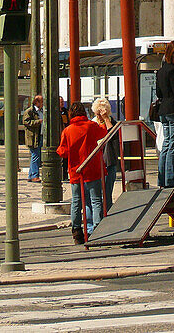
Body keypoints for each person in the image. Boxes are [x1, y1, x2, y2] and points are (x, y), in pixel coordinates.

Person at [57, 101, 104, 245]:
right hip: (92, 168)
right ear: (84, 112)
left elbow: (63, 152)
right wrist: (102, 120)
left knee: (76, 201)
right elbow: (104, 133)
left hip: (76, 170)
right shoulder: (91, 126)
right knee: (96, 200)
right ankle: (96, 229)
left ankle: (77, 231)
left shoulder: (68, 130)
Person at [156, 39, 174, 188]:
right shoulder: (173, 71)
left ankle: (162, 179)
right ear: (173, 54)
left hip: (163, 110)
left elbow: (159, 92)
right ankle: (171, 179)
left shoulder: (161, 71)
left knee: (166, 144)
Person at [91, 96, 119, 211]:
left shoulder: (112, 122)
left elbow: (113, 135)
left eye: (101, 113)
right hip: (97, 161)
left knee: (108, 192)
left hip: (109, 160)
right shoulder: (92, 123)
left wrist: (106, 119)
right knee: (97, 193)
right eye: (97, 114)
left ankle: (107, 212)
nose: (99, 116)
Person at [22, 94, 43, 182]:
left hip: (40, 135)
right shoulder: (30, 111)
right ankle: (35, 175)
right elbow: (26, 122)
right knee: (35, 156)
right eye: (41, 101)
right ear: (37, 102)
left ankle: (31, 175)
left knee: (36, 156)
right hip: (33, 137)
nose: (43, 103)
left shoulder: (41, 111)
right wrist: (38, 122)